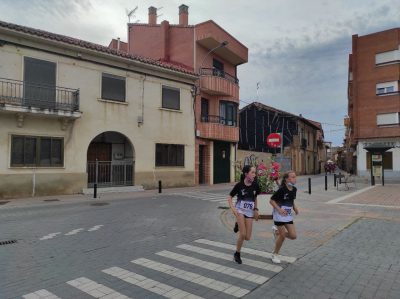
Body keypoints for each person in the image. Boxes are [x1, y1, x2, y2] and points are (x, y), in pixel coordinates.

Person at [228, 165, 260, 264]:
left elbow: (255, 198)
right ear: (246, 174)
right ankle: (237, 254)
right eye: (253, 172)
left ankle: (237, 223)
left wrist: (255, 209)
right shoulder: (239, 185)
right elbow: (229, 197)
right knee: (242, 234)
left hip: (249, 212)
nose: (254, 175)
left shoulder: (255, 185)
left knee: (247, 237)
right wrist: (233, 208)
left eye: (255, 172)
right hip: (240, 211)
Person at [269, 170, 298, 264]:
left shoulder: (294, 189)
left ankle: (276, 232)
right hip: (279, 215)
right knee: (282, 236)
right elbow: (271, 201)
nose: (295, 179)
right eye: (292, 177)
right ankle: (275, 254)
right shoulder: (282, 190)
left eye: (295, 177)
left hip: (288, 215)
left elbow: (291, 200)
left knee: (293, 236)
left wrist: (295, 208)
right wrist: (279, 209)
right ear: (286, 179)